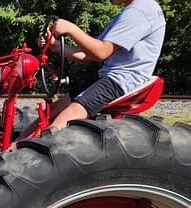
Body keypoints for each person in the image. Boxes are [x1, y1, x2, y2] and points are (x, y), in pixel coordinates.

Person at [27, 0, 166, 133]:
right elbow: (87, 55)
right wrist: (55, 45)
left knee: (64, 119)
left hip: (121, 80)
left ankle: (38, 151)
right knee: (52, 111)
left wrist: (71, 29)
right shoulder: (131, 11)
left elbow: (101, 52)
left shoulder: (139, 11)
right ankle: (14, 146)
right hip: (108, 76)